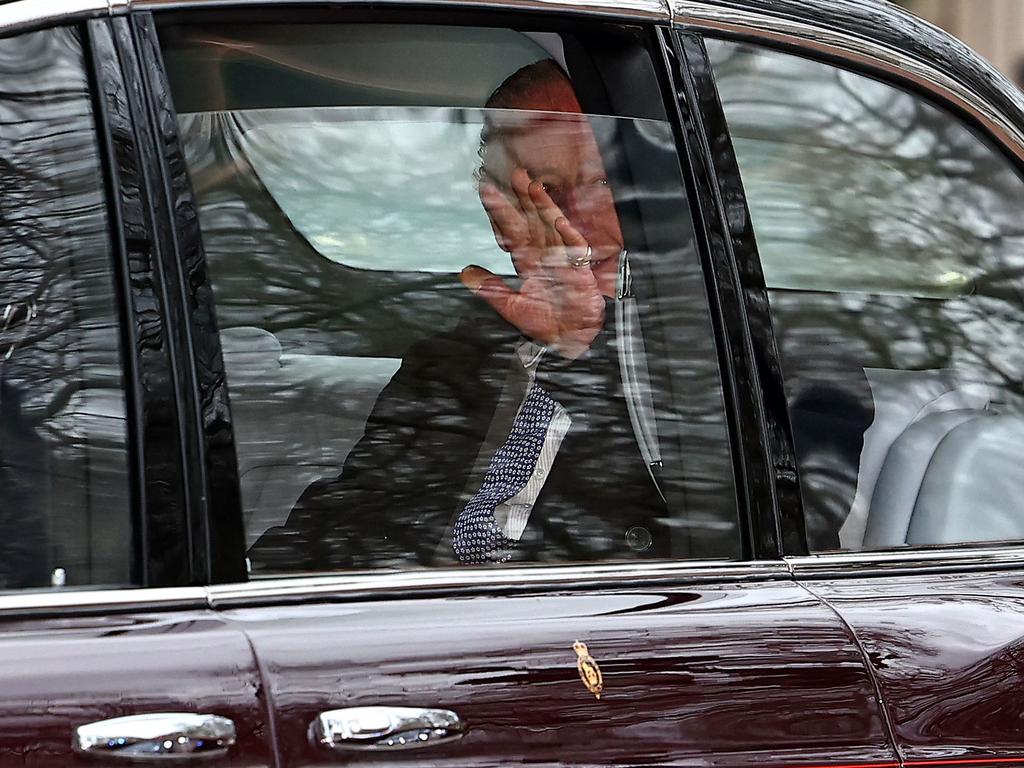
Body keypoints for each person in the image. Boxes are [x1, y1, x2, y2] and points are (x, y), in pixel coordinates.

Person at [248, 60, 669, 572]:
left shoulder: (701, 349)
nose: (571, 222)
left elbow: (670, 526)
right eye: (543, 192)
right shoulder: (451, 361)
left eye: (599, 181)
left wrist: (581, 352)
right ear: (503, 219)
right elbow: (340, 519)